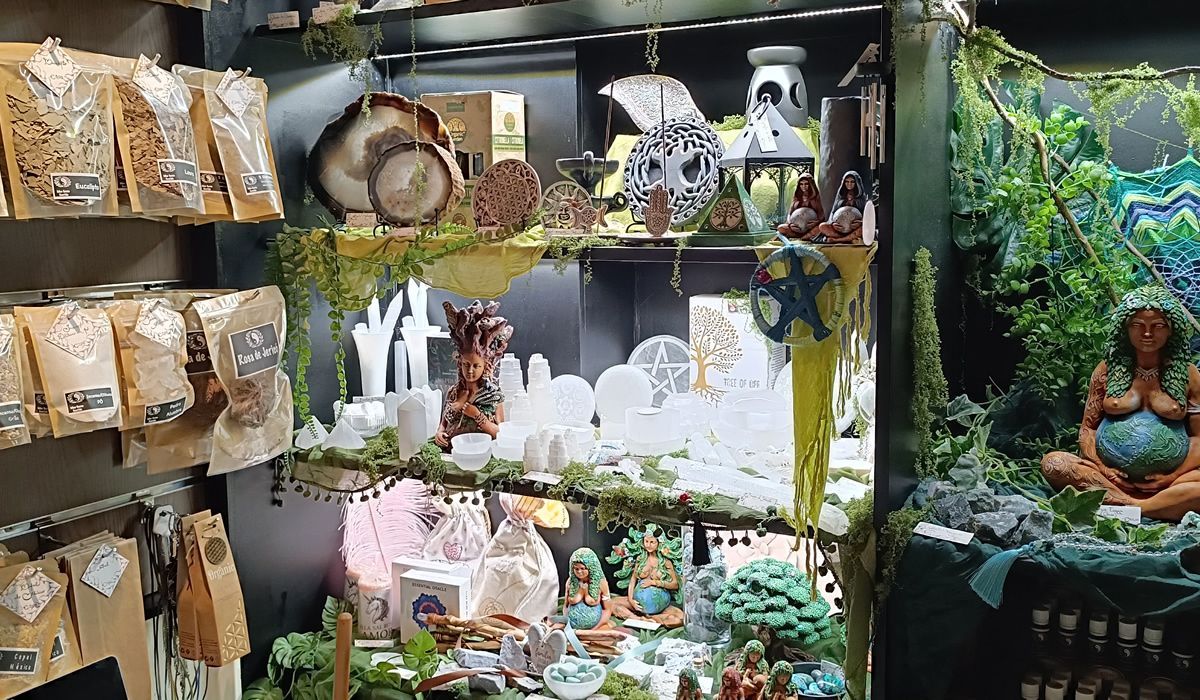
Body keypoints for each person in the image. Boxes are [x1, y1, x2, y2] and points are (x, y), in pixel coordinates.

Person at [1042, 286, 1200, 520]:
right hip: (1110, 479)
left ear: (1171, 329)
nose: (1147, 333)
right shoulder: (1107, 369)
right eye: (1138, 325)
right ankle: (1150, 507)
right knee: (1054, 464)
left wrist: (1172, 477)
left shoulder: (1189, 374)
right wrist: (1102, 467)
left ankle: (1127, 508)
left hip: (1170, 483)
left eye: (1158, 326)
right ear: (1124, 328)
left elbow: (1199, 438)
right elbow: (1087, 429)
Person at [434, 300, 513, 448]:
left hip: (482, 451)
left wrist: (477, 415)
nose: (470, 371)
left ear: (485, 366)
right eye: (466, 365)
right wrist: (439, 433)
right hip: (455, 450)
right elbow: (443, 424)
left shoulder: (494, 395)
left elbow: (500, 433)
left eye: (476, 366)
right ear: (460, 363)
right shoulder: (453, 392)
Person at [562, 548, 611, 630]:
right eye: (576, 569)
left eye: (582, 568)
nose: (579, 572)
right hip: (572, 627)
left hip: (596, 627)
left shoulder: (601, 583)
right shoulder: (570, 582)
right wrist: (567, 623)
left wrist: (594, 629)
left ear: (590, 567)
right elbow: (565, 606)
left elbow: (607, 610)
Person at [812, 171, 868, 243]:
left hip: (854, 228)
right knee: (822, 226)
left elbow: (867, 216)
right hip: (839, 229)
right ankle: (848, 238)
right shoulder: (840, 195)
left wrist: (861, 222)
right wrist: (833, 223)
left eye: (852, 182)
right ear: (843, 182)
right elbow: (833, 212)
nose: (849, 184)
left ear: (857, 182)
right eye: (847, 182)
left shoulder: (862, 197)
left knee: (863, 229)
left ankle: (837, 240)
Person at [776, 172, 824, 238]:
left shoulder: (817, 197)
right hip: (796, 227)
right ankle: (801, 236)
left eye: (806, 184)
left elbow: (822, 215)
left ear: (811, 184)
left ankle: (806, 236)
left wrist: (816, 222)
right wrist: (790, 224)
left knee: (821, 228)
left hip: (811, 228)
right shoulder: (796, 197)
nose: (803, 186)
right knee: (780, 228)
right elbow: (789, 214)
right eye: (801, 184)